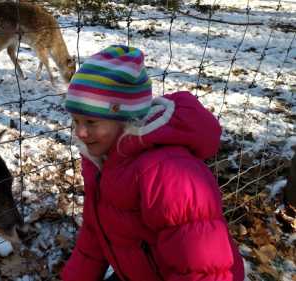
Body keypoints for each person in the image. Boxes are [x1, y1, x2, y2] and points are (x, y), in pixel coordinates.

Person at [61, 45, 245, 281]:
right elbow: (95, 236)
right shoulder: (100, 162)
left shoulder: (167, 173)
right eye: (75, 121)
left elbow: (201, 268)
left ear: (125, 118)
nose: (81, 133)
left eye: (91, 121)